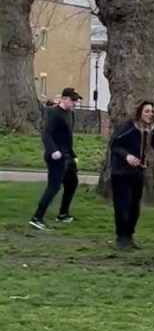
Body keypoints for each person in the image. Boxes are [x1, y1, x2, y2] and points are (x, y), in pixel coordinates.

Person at [108, 100, 154, 250]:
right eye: (146, 111)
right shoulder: (128, 127)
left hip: (138, 172)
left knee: (134, 207)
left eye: (152, 111)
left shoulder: (152, 129)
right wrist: (127, 156)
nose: (150, 114)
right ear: (139, 112)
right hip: (121, 172)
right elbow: (114, 145)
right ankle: (121, 238)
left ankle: (129, 236)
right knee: (122, 205)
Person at [30, 87, 82, 230]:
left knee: (72, 181)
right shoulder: (54, 113)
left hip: (67, 155)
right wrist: (53, 150)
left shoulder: (68, 114)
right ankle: (37, 218)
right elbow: (46, 134)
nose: (74, 104)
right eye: (73, 101)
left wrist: (72, 155)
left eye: (76, 101)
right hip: (56, 157)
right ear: (64, 99)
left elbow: (66, 137)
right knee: (54, 186)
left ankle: (63, 214)